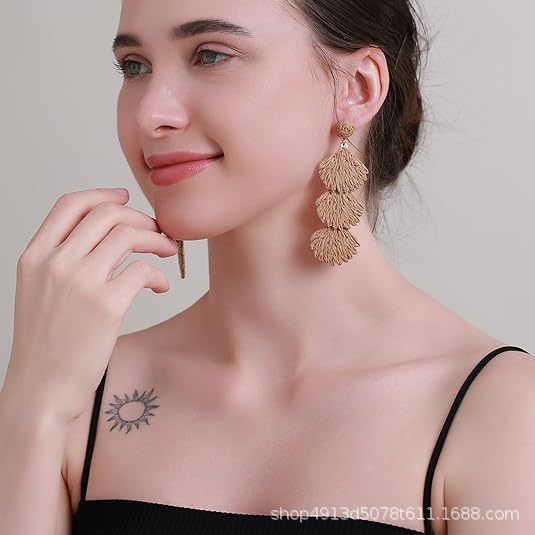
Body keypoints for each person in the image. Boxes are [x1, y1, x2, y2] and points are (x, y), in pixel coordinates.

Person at [0, 1, 533, 534]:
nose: (150, 115)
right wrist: (30, 406)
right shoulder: (73, 390)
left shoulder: (501, 412)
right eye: (134, 66)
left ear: (358, 87)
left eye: (210, 55)